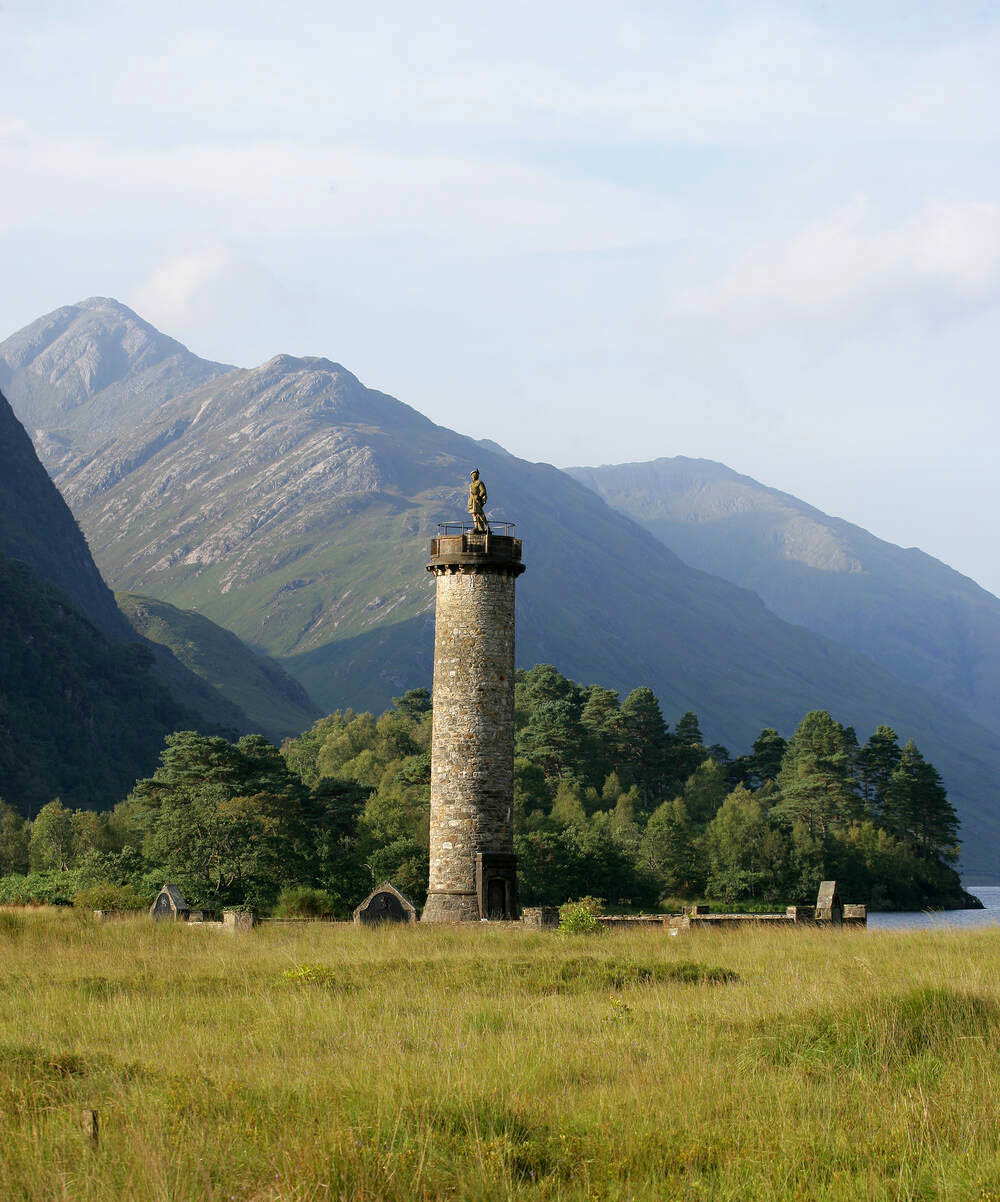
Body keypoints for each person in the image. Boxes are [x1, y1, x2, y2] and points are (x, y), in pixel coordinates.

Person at [467, 469, 490, 534]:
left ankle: (487, 526)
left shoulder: (479, 482)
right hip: (472, 501)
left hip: (477, 500)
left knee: (480, 513)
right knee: (474, 514)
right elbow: (470, 493)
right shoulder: (471, 484)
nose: (473, 476)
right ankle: (476, 526)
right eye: (472, 475)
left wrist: (479, 496)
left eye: (475, 474)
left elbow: (483, 491)